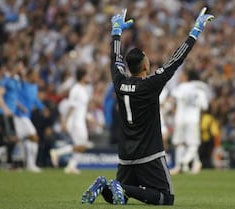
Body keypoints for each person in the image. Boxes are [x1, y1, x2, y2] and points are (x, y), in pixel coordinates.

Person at [81, 8, 214, 205]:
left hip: (126, 153)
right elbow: (176, 60)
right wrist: (195, 31)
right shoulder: (150, 86)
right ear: (144, 66)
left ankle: (106, 185)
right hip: (149, 152)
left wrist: (116, 32)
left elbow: (115, 58)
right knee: (165, 198)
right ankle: (120, 186)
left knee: (121, 198)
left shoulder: (119, 82)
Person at [49, 67, 92, 174]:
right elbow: (71, 107)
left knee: (82, 146)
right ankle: (57, 153)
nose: (89, 77)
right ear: (83, 76)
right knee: (81, 145)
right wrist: (64, 121)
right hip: (75, 121)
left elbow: (81, 107)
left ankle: (71, 166)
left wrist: (88, 116)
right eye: (88, 75)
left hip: (80, 120)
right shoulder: (75, 89)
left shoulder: (83, 89)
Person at [169, 70, 209, 175]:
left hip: (181, 118)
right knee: (191, 143)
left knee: (183, 143)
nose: (179, 77)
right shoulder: (200, 89)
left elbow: (173, 99)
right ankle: (193, 164)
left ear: (187, 77)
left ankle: (183, 162)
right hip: (193, 119)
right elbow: (205, 106)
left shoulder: (182, 87)